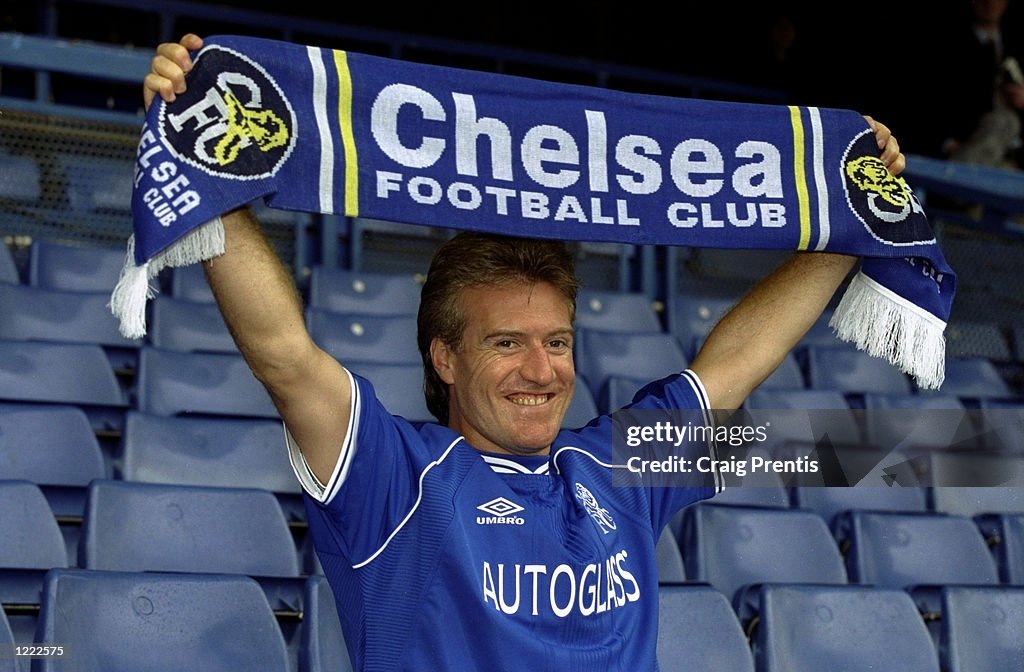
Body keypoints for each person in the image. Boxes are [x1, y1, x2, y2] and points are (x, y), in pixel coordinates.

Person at [145, 34, 906, 671]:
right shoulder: (393, 476)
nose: (542, 372)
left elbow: (736, 365)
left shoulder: (621, 466)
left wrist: (850, 216)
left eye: (558, 343)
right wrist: (203, 150)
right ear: (445, 358)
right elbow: (283, 354)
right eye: (506, 343)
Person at [938, 0, 1024, 168]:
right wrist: (947, 144)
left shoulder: (1015, 45)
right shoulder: (950, 46)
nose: (990, 3)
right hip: (966, 156)